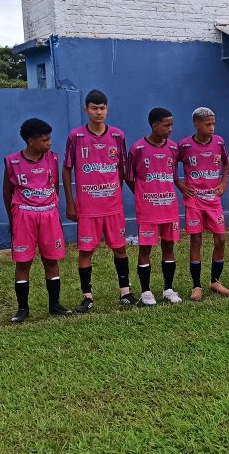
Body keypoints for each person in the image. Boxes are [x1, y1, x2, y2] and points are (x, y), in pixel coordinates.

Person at [62, 90, 136, 312]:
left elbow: (123, 168)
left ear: (107, 109)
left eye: (102, 108)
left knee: (120, 248)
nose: (98, 112)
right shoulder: (76, 137)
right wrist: (70, 202)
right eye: (94, 108)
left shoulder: (117, 136)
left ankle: (125, 292)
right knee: (86, 251)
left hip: (112, 206)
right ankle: (87, 297)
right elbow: (67, 169)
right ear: (86, 110)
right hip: (88, 207)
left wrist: (119, 192)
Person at [4, 118, 71, 322]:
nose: (49, 142)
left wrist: (53, 210)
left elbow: (55, 187)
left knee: (51, 259)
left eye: (49, 138)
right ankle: (22, 308)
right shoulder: (13, 162)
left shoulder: (53, 158)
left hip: (48, 213)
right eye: (45, 140)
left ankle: (55, 304)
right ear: (31, 141)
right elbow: (7, 192)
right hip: (24, 215)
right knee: (23, 262)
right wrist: (12, 218)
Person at [176, 107, 229, 301]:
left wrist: (223, 182)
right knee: (196, 240)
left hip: (213, 200)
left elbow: (226, 162)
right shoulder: (184, 145)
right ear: (196, 124)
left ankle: (215, 281)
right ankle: (196, 286)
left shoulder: (219, 142)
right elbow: (171, 164)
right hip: (194, 200)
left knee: (221, 239)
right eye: (208, 124)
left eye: (213, 124)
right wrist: (180, 184)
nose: (212, 128)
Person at [127, 108, 182, 305]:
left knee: (169, 246)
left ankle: (168, 289)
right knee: (145, 249)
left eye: (171, 125)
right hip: (148, 209)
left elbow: (173, 175)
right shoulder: (138, 149)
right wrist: (143, 195)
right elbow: (130, 177)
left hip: (169, 207)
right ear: (154, 126)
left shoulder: (173, 148)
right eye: (166, 125)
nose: (170, 129)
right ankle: (146, 292)